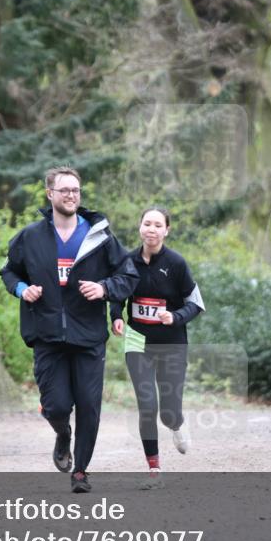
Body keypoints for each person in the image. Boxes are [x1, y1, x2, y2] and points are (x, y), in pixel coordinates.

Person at [0, 167, 138, 493]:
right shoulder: (30, 237)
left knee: (89, 405)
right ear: (50, 194)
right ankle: (63, 433)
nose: (71, 195)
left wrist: (104, 289)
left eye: (75, 190)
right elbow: (9, 272)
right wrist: (22, 290)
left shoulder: (99, 237)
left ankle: (81, 471)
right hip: (47, 334)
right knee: (57, 406)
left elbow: (128, 275)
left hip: (88, 334)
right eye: (64, 190)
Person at [110, 208, 204, 488]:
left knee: (168, 411)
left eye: (157, 225)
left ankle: (176, 423)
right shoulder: (127, 261)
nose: (151, 229)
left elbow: (196, 304)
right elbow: (117, 294)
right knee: (147, 405)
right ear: (139, 227)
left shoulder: (176, 263)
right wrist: (116, 316)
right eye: (147, 223)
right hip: (137, 341)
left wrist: (175, 317)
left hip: (172, 344)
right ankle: (154, 467)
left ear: (166, 230)